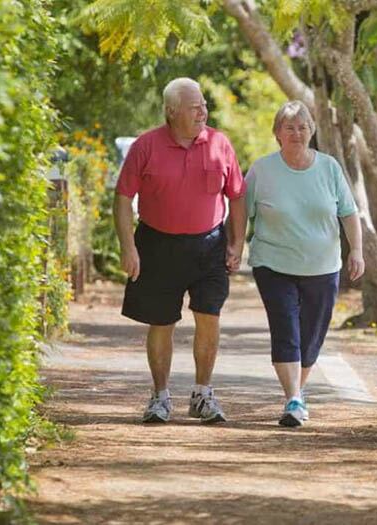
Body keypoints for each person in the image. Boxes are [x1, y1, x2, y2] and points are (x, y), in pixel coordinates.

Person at [113, 77, 246, 424]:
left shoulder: (220, 143)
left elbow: (237, 195)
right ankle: (160, 397)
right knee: (161, 322)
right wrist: (129, 248)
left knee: (209, 317)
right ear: (172, 112)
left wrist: (236, 242)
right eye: (194, 106)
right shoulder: (146, 146)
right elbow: (123, 198)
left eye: (204, 104)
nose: (203, 111)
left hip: (209, 245)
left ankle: (203, 394)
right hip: (157, 244)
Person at [246, 100, 364, 427]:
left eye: (303, 127)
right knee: (286, 327)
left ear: (312, 131)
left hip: (323, 265)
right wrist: (233, 244)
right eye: (289, 128)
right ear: (277, 134)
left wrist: (357, 251)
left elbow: (348, 212)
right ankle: (293, 399)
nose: (297, 133)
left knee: (312, 334)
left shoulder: (329, 168)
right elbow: (242, 209)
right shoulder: (262, 170)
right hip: (273, 262)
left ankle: (297, 391)